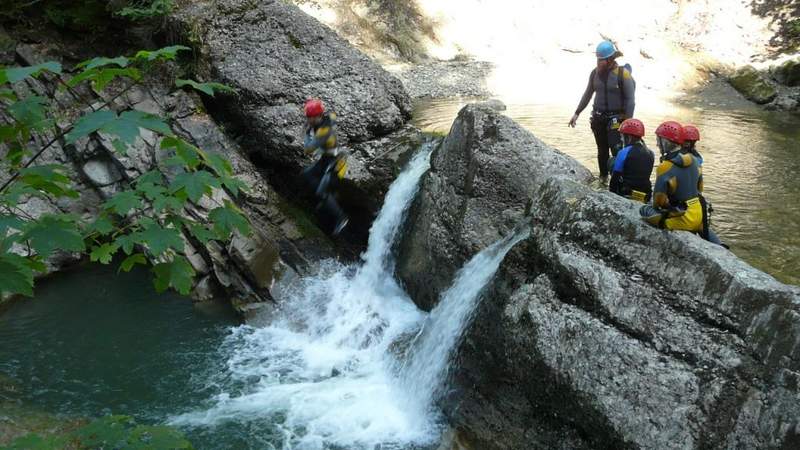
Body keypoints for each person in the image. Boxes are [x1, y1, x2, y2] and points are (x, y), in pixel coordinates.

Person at [639, 121, 723, 245]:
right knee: (701, 224)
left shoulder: (664, 167)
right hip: (698, 212)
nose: (657, 144)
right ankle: (720, 246)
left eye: (659, 140)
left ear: (666, 142)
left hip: (682, 218)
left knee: (644, 210)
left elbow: (658, 201)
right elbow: (700, 188)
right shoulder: (696, 161)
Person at [569, 40, 636, 178]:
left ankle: (619, 181)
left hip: (616, 119)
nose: (598, 63)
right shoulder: (594, 74)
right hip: (598, 117)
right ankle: (603, 179)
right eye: (598, 59)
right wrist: (577, 113)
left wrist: (627, 124)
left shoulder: (623, 75)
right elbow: (587, 93)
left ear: (611, 59)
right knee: (602, 151)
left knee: (616, 149)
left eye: (601, 60)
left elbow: (630, 101)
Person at [301, 98, 349, 235]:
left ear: (318, 116)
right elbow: (333, 114)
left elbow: (308, 149)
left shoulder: (324, 131)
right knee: (307, 174)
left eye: (310, 117)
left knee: (322, 191)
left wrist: (306, 133)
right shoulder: (325, 119)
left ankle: (341, 217)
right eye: (308, 117)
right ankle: (328, 199)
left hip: (336, 164)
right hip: (326, 159)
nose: (308, 120)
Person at [608, 118, 654, 203]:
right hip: (645, 193)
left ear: (628, 137)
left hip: (626, 192)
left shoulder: (623, 152)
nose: (621, 139)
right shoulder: (651, 153)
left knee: (612, 161)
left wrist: (611, 195)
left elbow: (615, 177)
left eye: (622, 136)